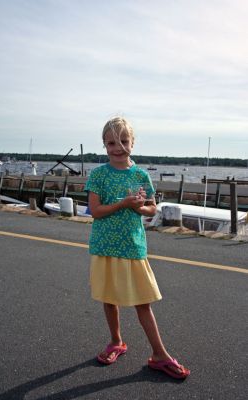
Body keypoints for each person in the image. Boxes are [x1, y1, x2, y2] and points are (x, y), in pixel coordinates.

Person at [85, 116, 190, 379]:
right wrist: (123, 204)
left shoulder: (141, 174)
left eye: (123, 141)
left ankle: (159, 354)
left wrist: (139, 207)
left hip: (132, 246)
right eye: (111, 143)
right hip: (105, 245)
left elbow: (151, 207)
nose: (117, 148)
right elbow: (96, 211)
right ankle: (116, 342)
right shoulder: (98, 174)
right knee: (109, 299)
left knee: (143, 302)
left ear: (133, 142)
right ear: (104, 145)